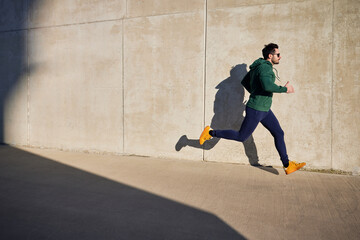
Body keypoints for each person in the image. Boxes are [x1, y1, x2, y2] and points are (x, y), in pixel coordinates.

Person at [199, 43, 305, 175]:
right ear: (270, 55)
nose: (280, 57)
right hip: (256, 109)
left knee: (278, 133)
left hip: (265, 109)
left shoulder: (257, 67)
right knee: (241, 136)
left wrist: (255, 92)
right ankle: (210, 133)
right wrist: (285, 89)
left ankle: (287, 165)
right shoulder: (265, 68)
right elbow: (267, 86)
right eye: (278, 54)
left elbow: (245, 82)